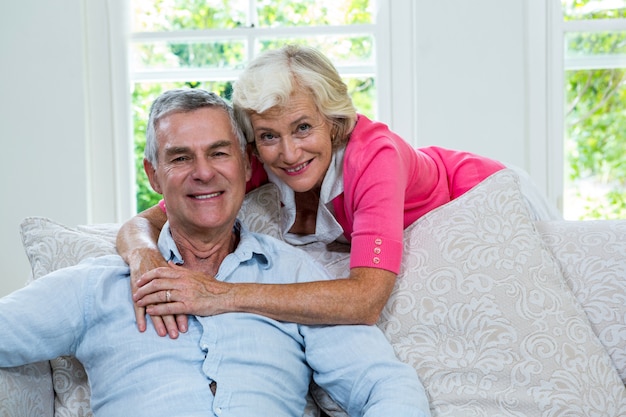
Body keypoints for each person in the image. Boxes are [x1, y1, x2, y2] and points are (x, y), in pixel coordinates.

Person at [0, 89, 430, 417]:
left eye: (219, 153)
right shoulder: (96, 285)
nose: (204, 173)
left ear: (246, 166)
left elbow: (384, 385)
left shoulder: (295, 277)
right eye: (181, 157)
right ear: (153, 174)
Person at [117, 44, 507, 338]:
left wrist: (219, 294)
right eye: (269, 135)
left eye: (303, 127)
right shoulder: (260, 158)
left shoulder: (376, 158)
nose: (288, 153)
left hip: (479, 195)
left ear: (333, 121)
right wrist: (144, 257)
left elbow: (366, 300)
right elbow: (144, 221)